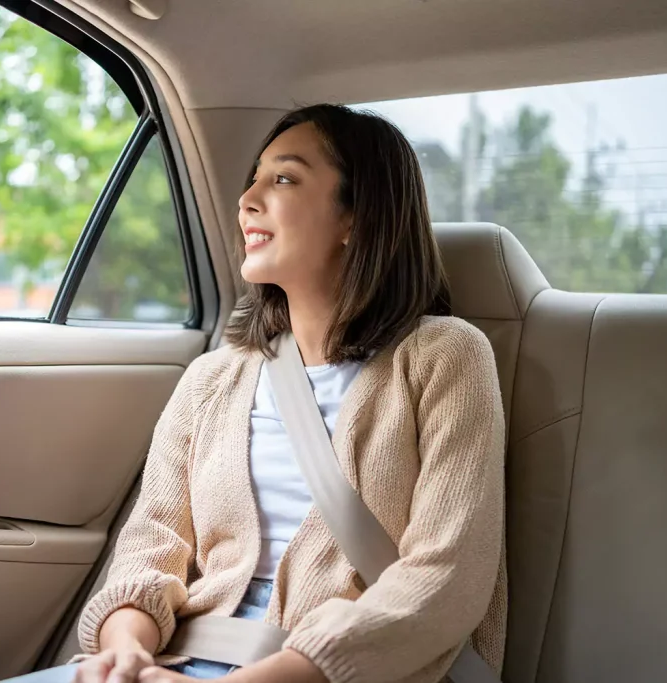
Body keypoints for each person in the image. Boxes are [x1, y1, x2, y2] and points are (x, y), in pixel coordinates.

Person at [72, 104, 506, 683]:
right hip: (181, 661)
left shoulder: (446, 357)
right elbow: (152, 543)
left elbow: (447, 577)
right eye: (252, 178)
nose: (247, 199)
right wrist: (124, 647)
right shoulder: (212, 379)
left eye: (283, 178)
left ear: (356, 215)